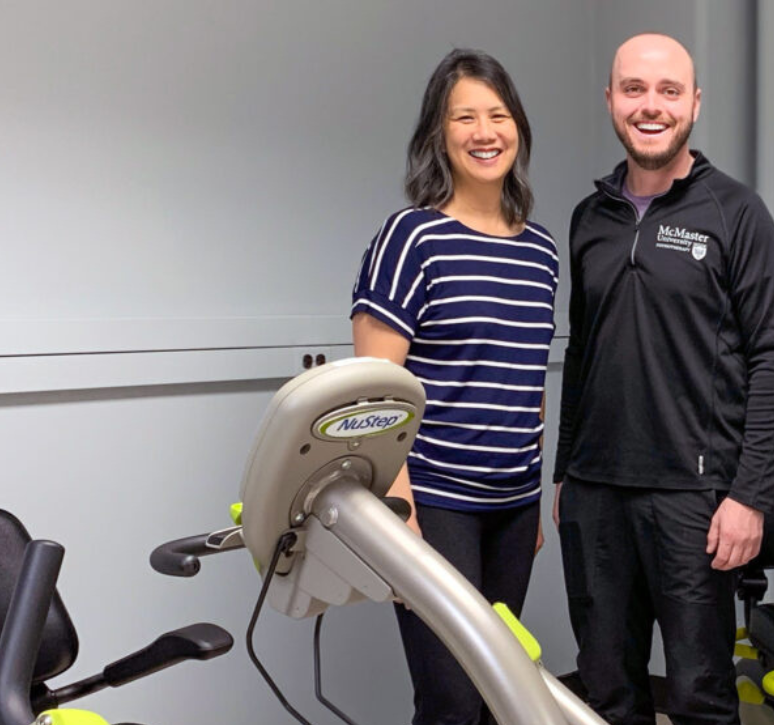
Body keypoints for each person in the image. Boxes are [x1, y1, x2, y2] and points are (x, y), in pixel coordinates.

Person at [553, 33, 774, 725]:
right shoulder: (587, 220)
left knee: (698, 695)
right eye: (633, 89)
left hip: (694, 498)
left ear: (693, 103)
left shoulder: (735, 213)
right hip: (594, 494)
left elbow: (770, 359)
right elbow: (582, 350)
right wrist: (565, 471)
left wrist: (749, 494)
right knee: (607, 692)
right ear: (610, 100)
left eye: (666, 91)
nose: (649, 105)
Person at [350, 48, 558, 725]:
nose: (483, 131)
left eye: (497, 115)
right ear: (438, 135)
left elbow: (529, 378)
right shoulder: (412, 238)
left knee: (503, 692)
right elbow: (376, 393)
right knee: (450, 698)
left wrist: (528, 484)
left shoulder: (542, 251)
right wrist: (399, 518)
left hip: (512, 506)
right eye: (463, 117)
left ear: (518, 127)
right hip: (436, 503)